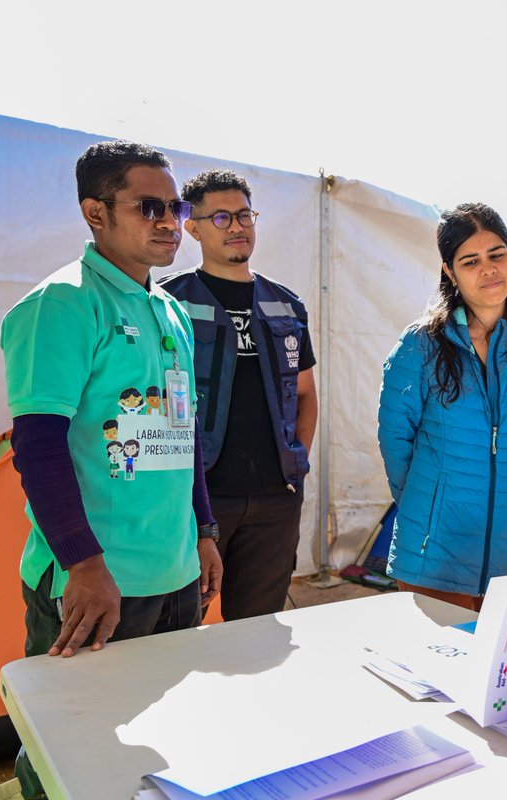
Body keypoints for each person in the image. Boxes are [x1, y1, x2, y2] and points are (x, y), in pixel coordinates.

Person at [1, 141, 221, 798]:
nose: (169, 222)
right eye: (146, 206)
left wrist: (204, 531)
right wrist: (84, 565)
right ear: (96, 213)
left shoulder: (172, 310)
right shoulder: (62, 305)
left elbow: (182, 433)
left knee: (160, 747)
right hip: (94, 586)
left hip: (175, 575)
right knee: (67, 755)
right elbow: (37, 446)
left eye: (175, 207)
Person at [377, 203, 507, 610]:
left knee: (503, 672)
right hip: (435, 555)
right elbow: (395, 442)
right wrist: (430, 506)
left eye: (497, 254)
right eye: (471, 261)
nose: (488, 270)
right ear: (450, 271)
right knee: (436, 670)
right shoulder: (420, 345)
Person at [160, 169, 317, 620]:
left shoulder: (287, 305)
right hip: (198, 499)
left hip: (275, 499)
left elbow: (306, 395)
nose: (237, 227)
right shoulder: (168, 302)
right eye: (222, 218)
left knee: (260, 633)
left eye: (245, 215)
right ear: (192, 227)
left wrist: (297, 464)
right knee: (179, 630)